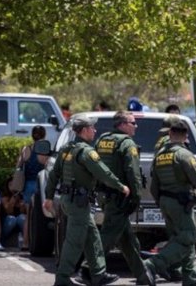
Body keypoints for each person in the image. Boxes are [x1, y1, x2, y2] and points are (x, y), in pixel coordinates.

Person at [43, 114, 129, 286]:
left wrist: (49, 196)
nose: (95, 130)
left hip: (70, 200)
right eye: (92, 128)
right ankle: (62, 279)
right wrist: (121, 186)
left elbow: (53, 175)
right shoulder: (86, 152)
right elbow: (103, 173)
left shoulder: (67, 149)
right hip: (79, 203)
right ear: (83, 130)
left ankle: (98, 274)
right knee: (74, 242)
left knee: (93, 238)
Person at [78, 111, 154, 285]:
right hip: (121, 197)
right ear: (122, 124)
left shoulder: (103, 139)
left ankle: (143, 276)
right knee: (109, 235)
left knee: (127, 239)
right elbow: (133, 173)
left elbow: (95, 166)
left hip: (105, 196)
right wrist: (136, 197)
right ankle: (88, 268)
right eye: (132, 123)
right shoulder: (127, 143)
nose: (136, 126)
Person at [144, 120, 196, 286]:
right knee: (187, 238)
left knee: (178, 238)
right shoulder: (184, 155)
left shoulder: (160, 155)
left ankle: (189, 278)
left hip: (166, 202)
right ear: (186, 137)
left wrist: (160, 201)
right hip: (181, 202)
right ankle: (152, 264)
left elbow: (154, 184)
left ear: (170, 134)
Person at [14, 125, 49, 250]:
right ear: (44, 135)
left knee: (29, 215)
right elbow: (47, 165)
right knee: (41, 216)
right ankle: (37, 241)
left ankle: (25, 243)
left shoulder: (26, 149)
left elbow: (19, 166)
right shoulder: (44, 148)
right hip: (40, 184)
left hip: (28, 185)